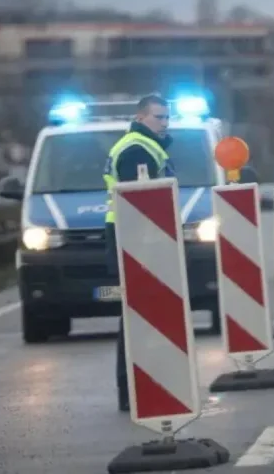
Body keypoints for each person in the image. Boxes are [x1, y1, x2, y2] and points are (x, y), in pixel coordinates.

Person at [103, 94, 175, 412]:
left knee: (140, 312)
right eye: (159, 118)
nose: (165, 123)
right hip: (132, 234)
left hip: (133, 234)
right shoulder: (136, 150)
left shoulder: (144, 145)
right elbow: (141, 201)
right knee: (136, 315)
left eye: (167, 118)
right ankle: (130, 388)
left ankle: (137, 385)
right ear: (141, 117)